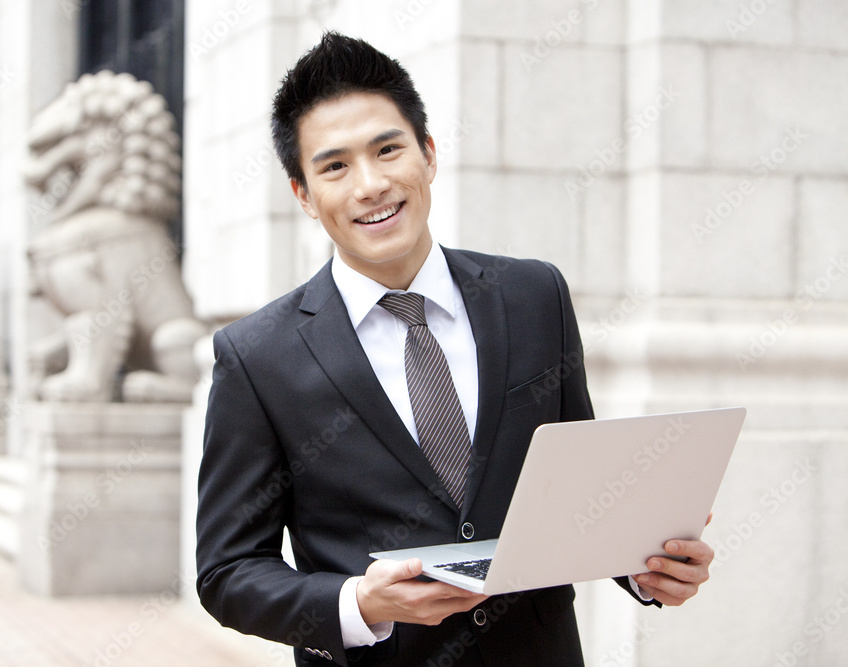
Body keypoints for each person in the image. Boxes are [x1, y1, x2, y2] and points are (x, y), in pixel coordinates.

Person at [196, 32, 713, 666]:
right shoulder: (257, 356)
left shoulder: (534, 295)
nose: (371, 185)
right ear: (303, 194)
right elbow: (227, 571)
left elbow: (579, 495)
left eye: (388, 150)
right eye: (335, 167)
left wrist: (645, 566)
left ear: (429, 154)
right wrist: (359, 604)